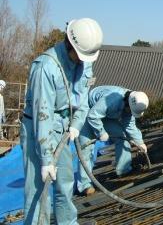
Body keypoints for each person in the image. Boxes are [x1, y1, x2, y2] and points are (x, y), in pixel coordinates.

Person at [20, 18, 103, 224]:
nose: (85, 61)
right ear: (70, 45)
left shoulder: (85, 63)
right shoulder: (46, 68)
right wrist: (46, 159)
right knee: (39, 191)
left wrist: (75, 125)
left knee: (65, 184)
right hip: (37, 131)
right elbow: (43, 116)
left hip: (64, 129)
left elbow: (83, 101)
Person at [77, 86, 149, 196]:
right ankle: (84, 186)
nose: (130, 112)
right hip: (89, 109)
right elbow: (92, 116)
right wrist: (101, 132)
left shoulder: (130, 104)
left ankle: (123, 169)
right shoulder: (113, 100)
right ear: (127, 104)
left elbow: (129, 125)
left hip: (104, 114)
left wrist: (140, 142)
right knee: (86, 148)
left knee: (122, 137)